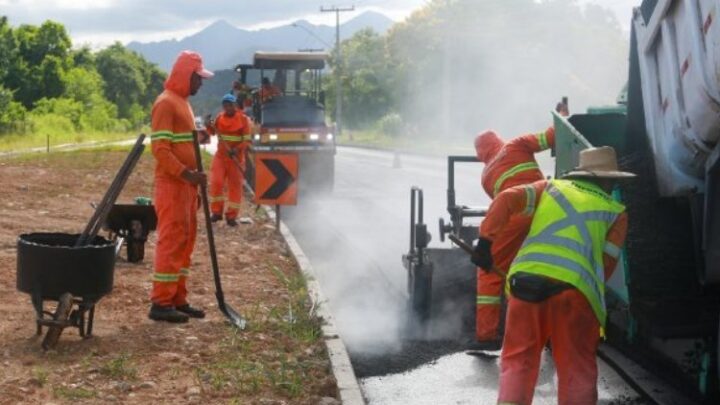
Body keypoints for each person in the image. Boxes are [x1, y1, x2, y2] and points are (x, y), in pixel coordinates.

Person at [472, 146, 634, 404]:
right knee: (576, 367)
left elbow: (506, 199)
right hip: (574, 293)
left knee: (517, 362)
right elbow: (605, 265)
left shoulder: (549, 188)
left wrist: (485, 242)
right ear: (605, 179)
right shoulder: (616, 211)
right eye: (613, 179)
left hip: (525, 284)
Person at [471, 122, 559, 350]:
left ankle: (486, 336)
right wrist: (562, 115)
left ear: (481, 153)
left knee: (490, 272)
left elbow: (501, 206)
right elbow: (552, 136)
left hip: (515, 216)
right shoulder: (517, 143)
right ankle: (549, 333)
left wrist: (485, 242)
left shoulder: (486, 175)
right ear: (498, 138)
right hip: (547, 209)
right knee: (545, 267)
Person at [148, 50, 213, 323]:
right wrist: (186, 174)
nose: (201, 83)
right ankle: (161, 303)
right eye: (198, 78)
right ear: (186, 75)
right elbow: (160, 149)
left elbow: (180, 140)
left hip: (186, 188)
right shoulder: (165, 103)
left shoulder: (182, 103)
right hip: (173, 186)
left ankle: (177, 298)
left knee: (185, 243)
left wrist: (198, 136)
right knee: (172, 242)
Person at [205, 93, 252, 226]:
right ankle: (216, 212)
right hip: (221, 157)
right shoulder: (219, 117)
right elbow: (212, 131)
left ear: (235, 105)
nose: (228, 107)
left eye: (230, 105)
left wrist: (236, 149)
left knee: (235, 187)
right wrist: (208, 123)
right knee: (216, 182)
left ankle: (231, 216)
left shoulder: (243, 119)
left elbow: (247, 140)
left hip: (236, 159)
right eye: (225, 105)